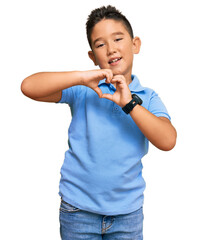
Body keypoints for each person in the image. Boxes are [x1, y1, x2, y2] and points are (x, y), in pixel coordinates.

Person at [21, 5, 177, 240]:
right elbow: (28, 87)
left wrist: (130, 105)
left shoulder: (147, 97)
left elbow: (168, 140)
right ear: (93, 57)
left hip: (127, 213)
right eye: (100, 44)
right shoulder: (84, 90)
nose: (111, 49)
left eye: (118, 38)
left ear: (135, 44)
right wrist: (82, 77)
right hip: (78, 211)